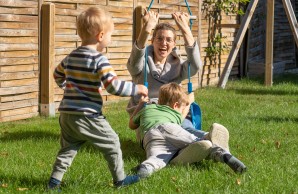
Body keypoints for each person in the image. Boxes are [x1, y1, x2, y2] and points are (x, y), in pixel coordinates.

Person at [47, 7, 148, 190]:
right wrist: (137, 88)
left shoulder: (71, 57)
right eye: (111, 35)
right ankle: (120, 180)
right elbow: (113, 86)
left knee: (68, 149)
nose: (110, 39)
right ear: (101, 36)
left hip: (67, 115)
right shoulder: (99, 60)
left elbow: (57, 75)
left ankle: (54, 182)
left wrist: (68, 88)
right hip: (88, 116)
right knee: (112, 143)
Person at [129, 83, 247, 178]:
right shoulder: (173, 113)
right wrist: (189, 102)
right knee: (195, 139)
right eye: (181, 107)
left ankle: (146, 168)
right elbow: (181, 117)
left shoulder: (148, 109)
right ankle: (221, 153)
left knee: (156, 157)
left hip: (149, 137)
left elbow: (131, 125)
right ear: (175, 106)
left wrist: (140, 105)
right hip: (168, 128)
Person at [126, 9, 210, 141]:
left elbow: (195, 65)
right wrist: (146, 29)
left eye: (168, 40)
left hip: (174, 112)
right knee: (164, 135)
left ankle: (210, 139)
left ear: (174, 44)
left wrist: (185, 29)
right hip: (150, 114)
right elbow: (134, 61)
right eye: (159, 38)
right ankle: (198, 143)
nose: (163, 43)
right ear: (152, 41)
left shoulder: (178, 65)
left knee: (186, 128)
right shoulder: (141, 64)